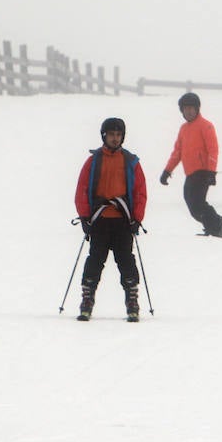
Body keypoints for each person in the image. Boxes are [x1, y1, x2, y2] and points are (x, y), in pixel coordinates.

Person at [74, 117, 148, 321]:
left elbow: (140, 192)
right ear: (104, 136)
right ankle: (87, 298)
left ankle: (132, 299)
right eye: (111, 135)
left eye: (118, 135)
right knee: (95, 260)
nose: (115, 139)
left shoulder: (131, 161)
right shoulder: (93, 161)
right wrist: (84, 217)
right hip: (100, 220)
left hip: (123, 221)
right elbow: (82, 189)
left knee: (125, 260)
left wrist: (137, 218)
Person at [160, 92, 222, 238]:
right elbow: (177, 152)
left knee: (197, 202)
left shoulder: (206, 126)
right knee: (191, 202)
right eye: (185, 109)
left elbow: (213, 150)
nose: (189, 111)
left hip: (203, 172)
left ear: (197, 109)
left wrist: (211, 172)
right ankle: (214, 225)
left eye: (192, 108)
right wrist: (167, 171)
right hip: (190, 173)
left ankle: (217, 227)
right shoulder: (184, 129)